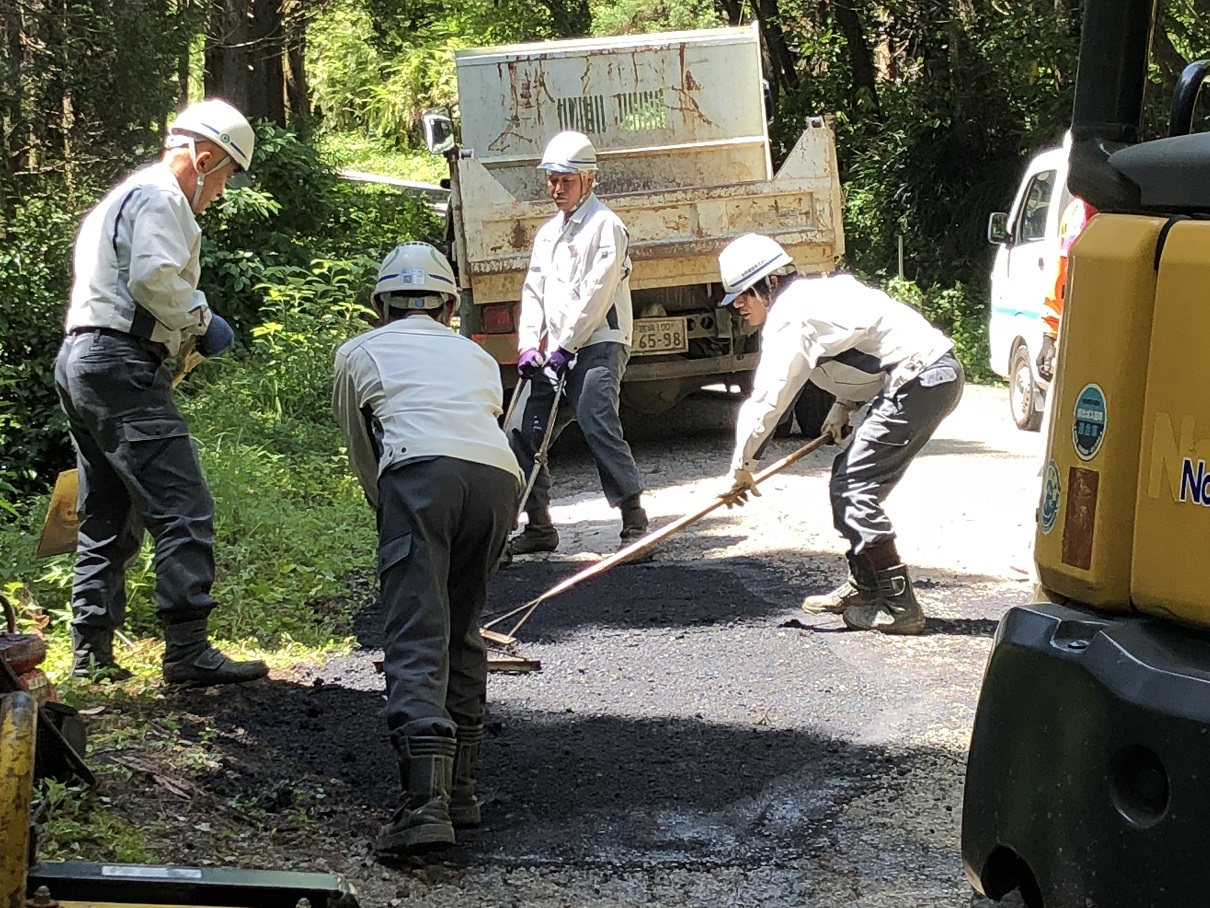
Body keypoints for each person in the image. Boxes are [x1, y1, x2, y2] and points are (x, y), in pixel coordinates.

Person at [54, 98, 268, 685]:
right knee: (184, 508)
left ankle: (90, 654)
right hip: (120, 362)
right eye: (223, 177)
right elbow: (154, 279)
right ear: (203, 158)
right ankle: (187, 650)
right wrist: (200, 320)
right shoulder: (164, 197)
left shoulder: (120, 196)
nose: (220, 192)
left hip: (83, 359)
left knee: (107, 511)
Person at [332, 242, 521, 857]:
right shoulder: (477, 355)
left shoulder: (358, 352)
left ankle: (423, 806)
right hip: (497, 481)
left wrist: (385, 506)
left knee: (416, 632)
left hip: (418, 478)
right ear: (448, 305)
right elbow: (485, 425)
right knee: (462, 629)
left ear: (380, 304)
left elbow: (365, 449)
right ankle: (461, 789)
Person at [716, 234, 964, 635]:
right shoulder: (816, 295)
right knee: (849, 481)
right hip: (932, 375)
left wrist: (742, 466)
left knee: (853, 487)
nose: (739, 305)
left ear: (770, 283)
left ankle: (900, 607)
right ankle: (866, 587)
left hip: (920, 378)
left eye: (744, 294)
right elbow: (869, 351)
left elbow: (770, 398)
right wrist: (842, 407)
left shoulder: (790, 316)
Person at [505, 130, 647, 555]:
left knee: (595, 417)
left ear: (589, 180)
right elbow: (533, 290)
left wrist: (566, 346)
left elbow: (597, 293)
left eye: (565, 180)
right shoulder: (548, 233)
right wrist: (529, 344)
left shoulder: (607, 226)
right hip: (555, 350)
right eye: (551, 179)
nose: (556, 188)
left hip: (600, 342)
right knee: (521, 430)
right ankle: (539, 526)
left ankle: (634, 520)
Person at [1036, 196, 1096, 386]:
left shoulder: (1134, 211)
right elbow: (1059, 279)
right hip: (1074, 339)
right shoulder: (1075, 213)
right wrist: (1049, 336)